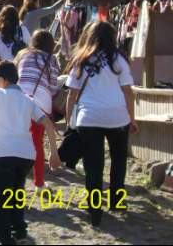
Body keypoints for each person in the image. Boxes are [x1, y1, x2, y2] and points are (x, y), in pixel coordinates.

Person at [0, 61, 61, 245]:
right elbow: (48, 124)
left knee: (0, 201)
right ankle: (19, 232)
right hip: (26, 155)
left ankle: (5, 239)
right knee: (17, 195)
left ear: (2, 80)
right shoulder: (28, 100)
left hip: (3, 153)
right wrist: (53, 152)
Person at [65, 21, 139, 227]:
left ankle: (94, 210)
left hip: (89, 119)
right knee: (118, 160)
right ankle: (116, 201)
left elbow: (71, 94)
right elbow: (128, 93)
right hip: (117, 117)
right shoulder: (119, 60)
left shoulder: (80, 59)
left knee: (93, 166)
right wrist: (132, 118)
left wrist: (71, 122)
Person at [15, 30, 60, 193]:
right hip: (41, 103)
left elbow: (14, 77)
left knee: (18, 139)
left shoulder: (22, 55)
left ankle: (15, 178)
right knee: (37, 142)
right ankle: (39, 182)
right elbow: (54, 87)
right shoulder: (51, 60)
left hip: (19, 100)